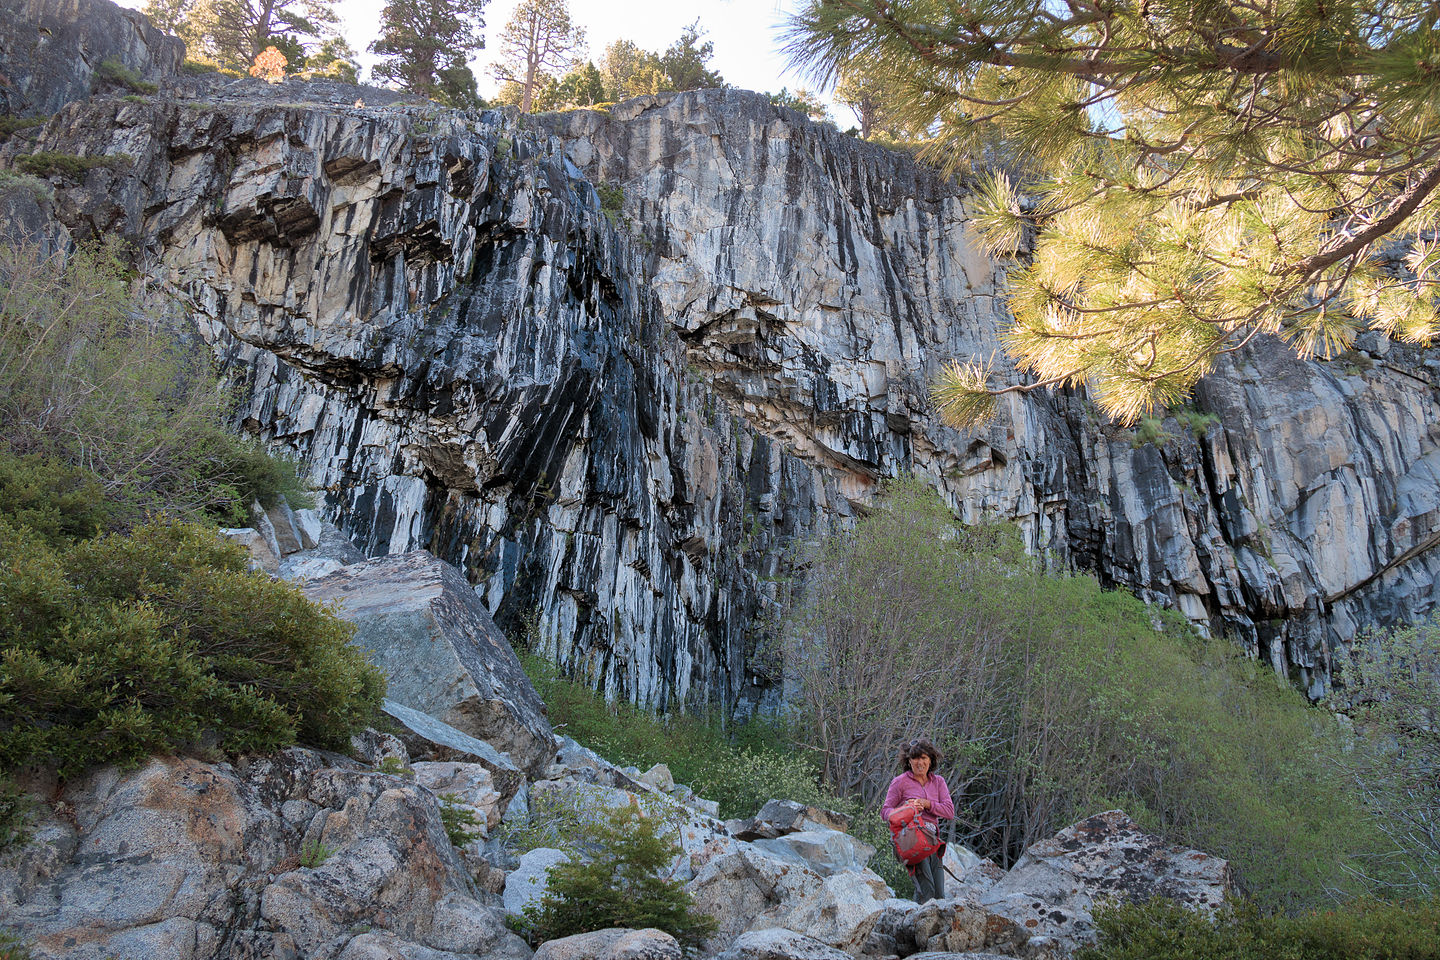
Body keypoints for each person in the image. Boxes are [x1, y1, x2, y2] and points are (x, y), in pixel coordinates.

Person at [881, 738, 955, 903]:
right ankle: (918, 918)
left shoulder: (938, 782)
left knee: (939, 895)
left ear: (931, 760)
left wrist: (927, 804)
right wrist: (905, 809)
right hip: (912, 841)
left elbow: (949, 811)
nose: (919, 762)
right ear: (909, 760)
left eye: (923, 758)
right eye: (915, 758)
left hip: (933, 842)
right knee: (926, 892)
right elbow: (885, 812)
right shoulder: (900, 782)